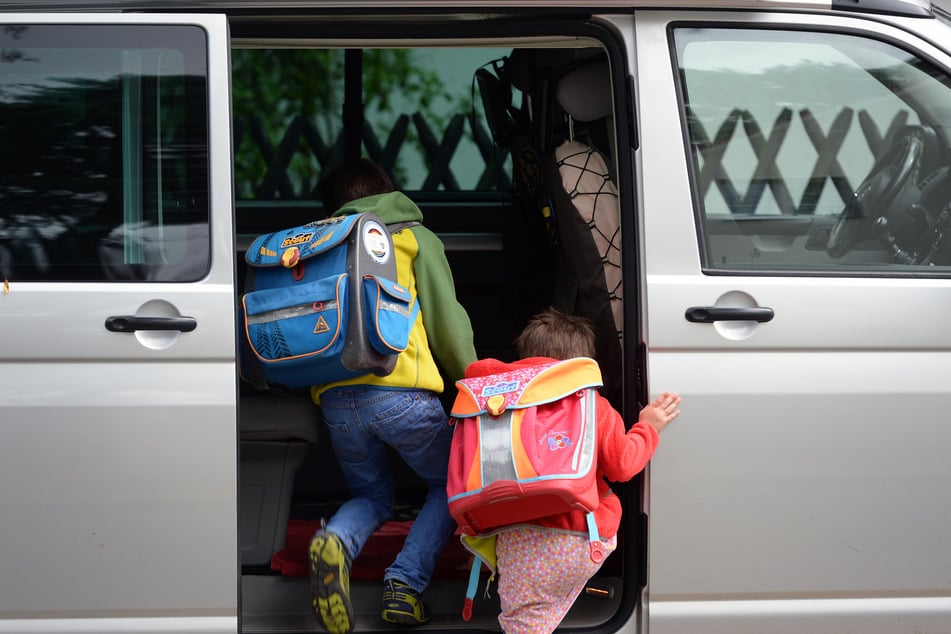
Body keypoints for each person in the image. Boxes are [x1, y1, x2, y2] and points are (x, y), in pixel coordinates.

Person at [307, 158, 477, 634]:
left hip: (337, 402)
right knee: (453, 484)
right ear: (387, 193)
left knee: (372, 496)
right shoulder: (410, 238)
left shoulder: (318, 243)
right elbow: (448, 326)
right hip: (402, 394)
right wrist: (477, 382)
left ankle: (337, 541)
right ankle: (404, 585)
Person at [461, 307, 680, 634]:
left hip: (512, 540)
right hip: (579, 538)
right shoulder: (592, 406)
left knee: (524, 625)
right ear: (581, 365)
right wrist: (646, 428)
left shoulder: (496, 410)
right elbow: (622, 465)